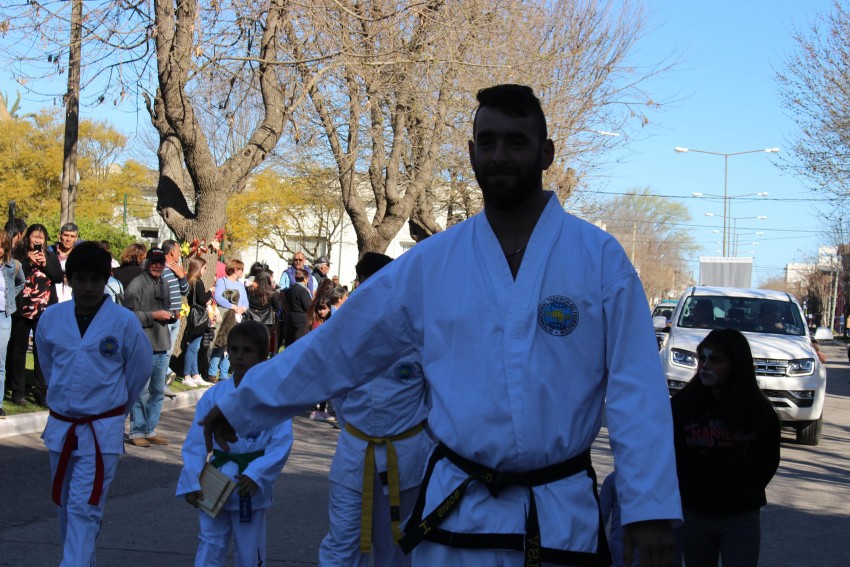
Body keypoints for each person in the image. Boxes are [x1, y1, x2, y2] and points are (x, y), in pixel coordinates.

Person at [202, 84, 680, 566]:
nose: (499, 155)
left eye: (516, 142)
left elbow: (637, 390)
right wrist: (248, 401)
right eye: (487, 142)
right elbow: (341, 347)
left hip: (558, 511)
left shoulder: (598, 259)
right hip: (457, 515)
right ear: (470, 154)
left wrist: (649, 508)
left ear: (546, 153)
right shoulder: (433, 263)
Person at [34, 242, 152, 566]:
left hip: (101, 428)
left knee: (84, 508)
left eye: (95, 280)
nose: (88, 287)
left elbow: (139, 369)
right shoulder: (52, 319)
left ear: (106, 281)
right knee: (65, 508)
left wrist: (115, 409)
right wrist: (66, 397)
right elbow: (49, 367)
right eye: (81, 279)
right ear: (69, 279)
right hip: (62, 425)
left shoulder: (123, 321)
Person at [319, 252, 432, 567]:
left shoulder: (419, 332)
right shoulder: (343, 331)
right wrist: (358, 430)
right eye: (364, 286)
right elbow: (336, 393)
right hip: (354, 451)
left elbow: (433, 396)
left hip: (406, 455)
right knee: (342, 544)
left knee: (397, 546)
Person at [178, 321, 293, 567]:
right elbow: (197, 441)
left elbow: (281, 444)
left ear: (263, 356)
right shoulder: (214, 396)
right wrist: (191, 478)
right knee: (210, 543)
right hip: (215, 480)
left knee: (249, 549)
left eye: (247, 351)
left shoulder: (272, 398)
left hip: (248, 484)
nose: (239, 356)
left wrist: (256, 474)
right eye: (235, 349)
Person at [671, 328, 780, 567]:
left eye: (715, 360)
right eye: (702, 359)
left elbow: (768, 460)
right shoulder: (682, 406)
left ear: (736, 364)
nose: (705, 366)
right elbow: (671, 455)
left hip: (741, 516)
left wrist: (742, 488)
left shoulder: (759, 412)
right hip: (694, 514)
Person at [124, 248, 176, 447]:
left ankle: (150, 429)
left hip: (162, 344)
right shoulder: (136, 284)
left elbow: (169, 307)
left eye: (161, 262)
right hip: (142, 346)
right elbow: (128, 315)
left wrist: (173, 314)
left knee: (157, 391)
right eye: (154, 261)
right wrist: (153, 316)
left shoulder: (164, 283)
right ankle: (136, 431)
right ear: (146, 262)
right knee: (141, 391)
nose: (158, 265)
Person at [8, 224, 63, 406]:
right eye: (35, 236)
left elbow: (57, 277)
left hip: (45, 311)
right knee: (19, 350)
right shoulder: (18, 255)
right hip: (22, 310)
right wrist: (29, 263)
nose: (38, 239)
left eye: (41, 236)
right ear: (27, 238)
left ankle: (41, 392)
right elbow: (13, 276)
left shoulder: (50, 257)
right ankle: (18, 392)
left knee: (42, 352)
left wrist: (45, 264)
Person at [0, 230, 26, 417]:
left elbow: (21, 283)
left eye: (2, 246)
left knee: (0, 363)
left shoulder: (13, 266)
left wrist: (10, 300)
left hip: (3, 315)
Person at [183, 257, 213, 387]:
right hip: (198, 316)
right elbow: (202, 299)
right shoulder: (197, 281)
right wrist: (210, 293)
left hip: (194, 315)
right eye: (204, 268)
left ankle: (195, 374)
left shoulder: (191, 281)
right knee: (193, 346)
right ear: (198, 268)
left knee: (196, 346)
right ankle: (187, 375)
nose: (205, 271)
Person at [283, 267, 312, 347]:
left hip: (291, 317)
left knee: (290, 343)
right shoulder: (303, 291)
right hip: (301, 320)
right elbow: (308, 306)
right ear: (305, 279)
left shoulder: (290, 290)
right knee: (299, 344)